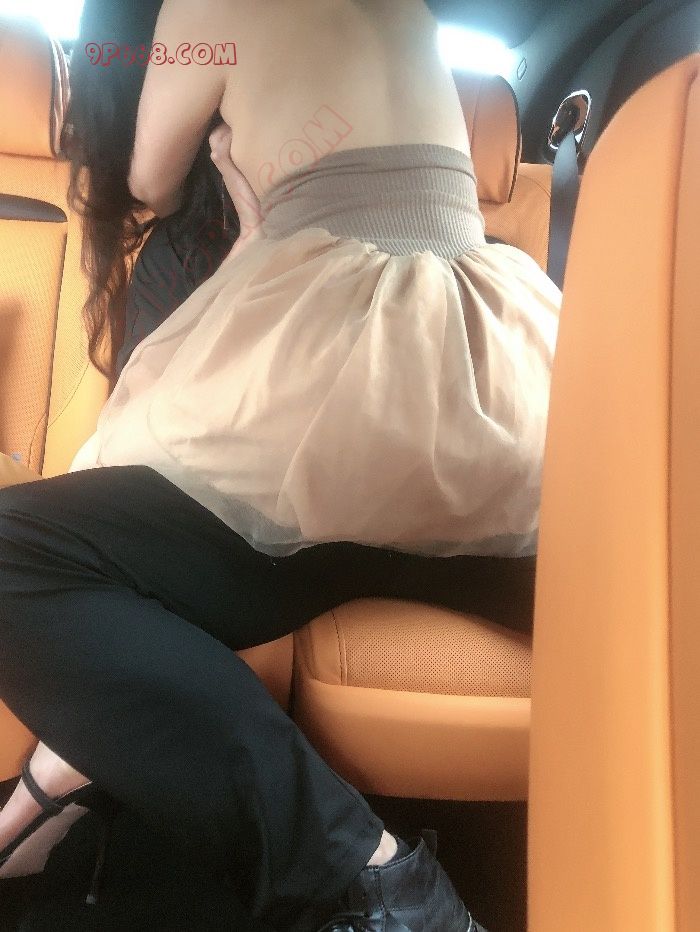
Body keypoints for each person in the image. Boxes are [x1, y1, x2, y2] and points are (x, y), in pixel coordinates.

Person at [0, 1, 561, 930]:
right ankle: (51, 790)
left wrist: (245, 180)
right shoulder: (412, 10)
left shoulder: (207, 6)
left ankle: (367, 872)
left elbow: (149, 180)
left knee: (18, 554)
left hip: (334, 394)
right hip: (505, 381)